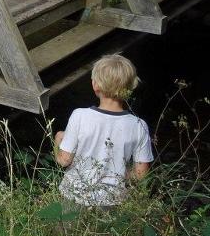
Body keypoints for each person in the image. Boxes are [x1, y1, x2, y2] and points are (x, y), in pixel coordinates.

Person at [55, 54, 153, 207]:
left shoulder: (79, 115)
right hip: (112, 202)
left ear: (95, 85)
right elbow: (141, 174)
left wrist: (58, 139)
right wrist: (118, 173)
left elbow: (63, 160)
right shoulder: (139, 125)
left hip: (73, 197)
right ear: (131, 87)